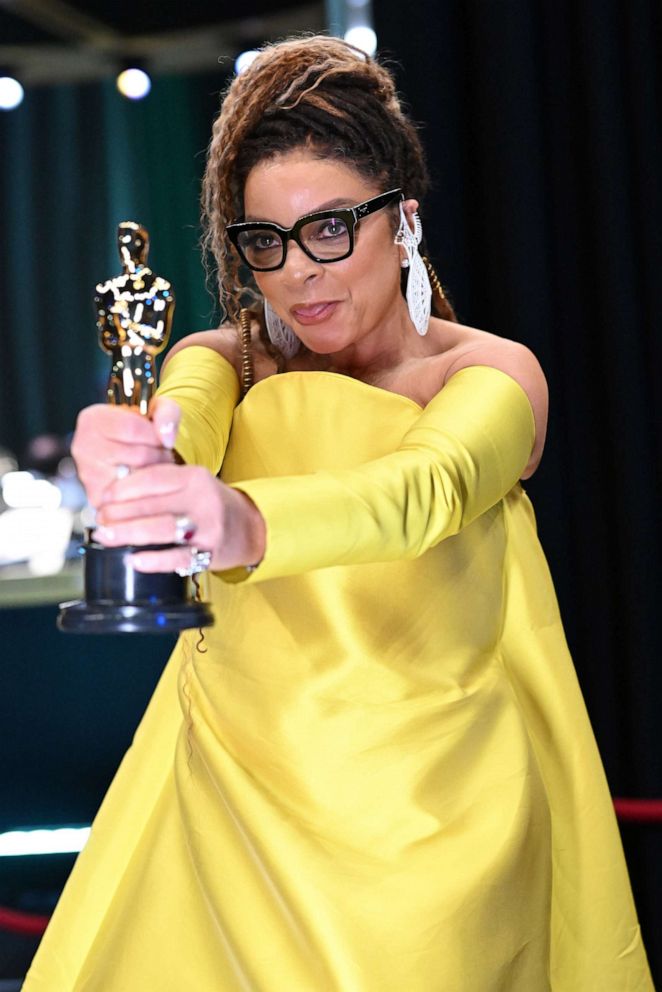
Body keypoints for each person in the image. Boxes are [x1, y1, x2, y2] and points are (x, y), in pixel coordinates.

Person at [25, 36, 652, 991]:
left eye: (329, 229)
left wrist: (240, 521)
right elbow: (174, 428)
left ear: (401, 219)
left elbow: (418, 493)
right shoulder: (225, 361)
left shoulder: (487, 374)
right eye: (266, 243)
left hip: (441, 827)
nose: (298, 274)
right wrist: (128, 454)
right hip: (232, 803)